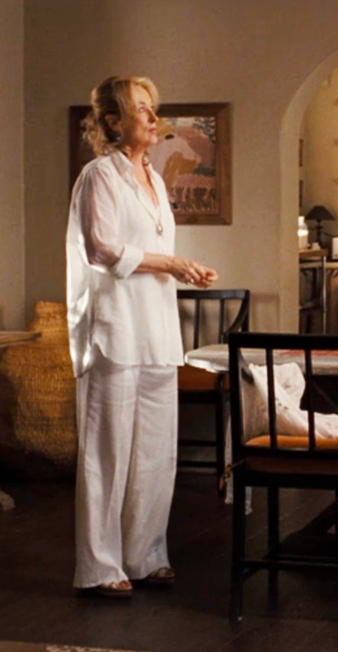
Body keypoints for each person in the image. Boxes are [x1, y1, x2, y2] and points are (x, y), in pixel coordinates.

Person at [66, 76, 218, 598]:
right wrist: (174, 263)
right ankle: (101, 566)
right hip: (114, 330)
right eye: (140, 110)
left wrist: (177, 268)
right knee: (107, 453)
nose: (154, 118)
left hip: (156, 330)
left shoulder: (153, 177)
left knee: (155, 451)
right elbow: (102, 249)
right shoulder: (98, 176)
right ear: (112, 122)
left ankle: (146, 555)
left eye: (154, 108)